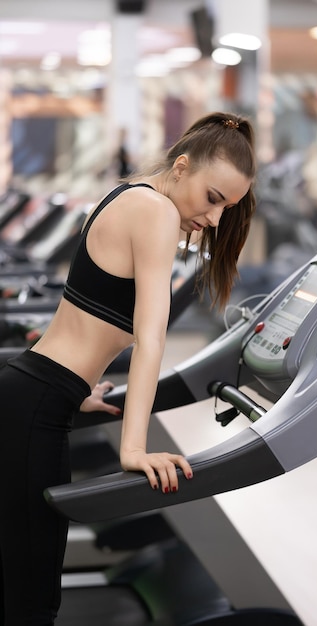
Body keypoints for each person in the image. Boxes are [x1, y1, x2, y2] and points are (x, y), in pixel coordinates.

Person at [0, 110, 257, 625]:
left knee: (17, 586)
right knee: (29, 601)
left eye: (227, 208)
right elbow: (151, 337)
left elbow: (79, 310)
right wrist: (133, 449)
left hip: (34, 391)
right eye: (212, 198)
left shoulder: (127, 193)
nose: (215, 220)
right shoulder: (156, 211)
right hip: (37, 406)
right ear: (181, 167)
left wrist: (78, 389)